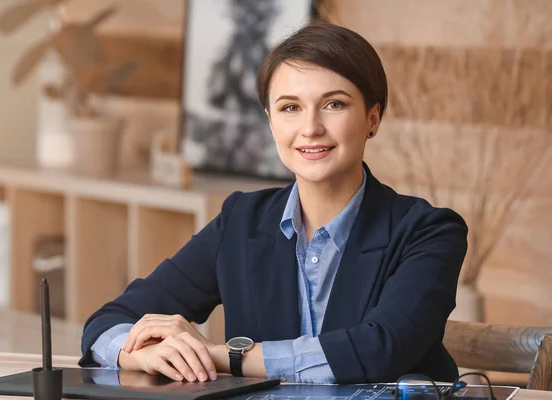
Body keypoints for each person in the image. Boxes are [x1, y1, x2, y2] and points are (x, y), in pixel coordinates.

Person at [80, 21, 468, 385]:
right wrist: (141, 355)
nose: (311, 127)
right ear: (270, 121)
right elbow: (108, 322)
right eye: (290, 107)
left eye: (334, 104)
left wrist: (222, 357)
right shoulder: (240, 221)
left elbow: (382, 348)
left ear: (373, 117)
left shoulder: (428, 231)